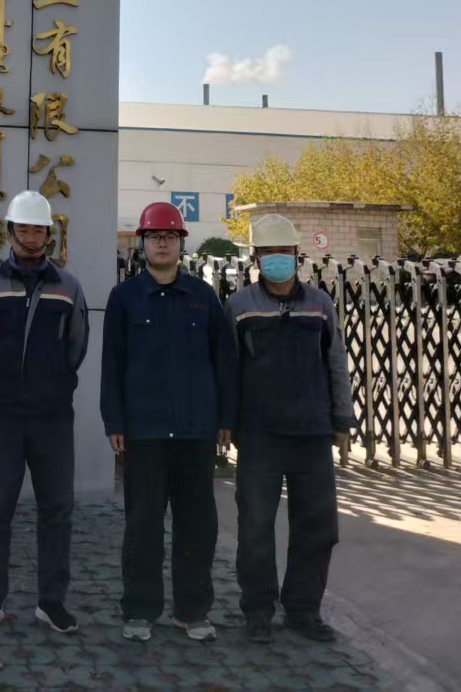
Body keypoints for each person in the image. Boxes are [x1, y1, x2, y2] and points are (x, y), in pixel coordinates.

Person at [101, 202, 235, 644]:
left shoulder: (203, 297)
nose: (163, 243)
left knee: (197, 526)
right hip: (144, 433)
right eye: (155, 236)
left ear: (181, 244)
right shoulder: (125, 298)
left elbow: (223, 361)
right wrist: (114, 420)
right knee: (143, 526)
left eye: (170, 236)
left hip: (196, 431)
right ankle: (140, 610)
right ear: (142, 243)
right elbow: (112, 364)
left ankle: (192, 611)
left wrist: (225, 417)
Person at [0, 189, 89, 635]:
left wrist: (54, 383)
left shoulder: (68, 287)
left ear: (48, 235)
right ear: (10, 233)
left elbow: (77, 346)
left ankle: (51, 602)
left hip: (53, 417)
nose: (32, 237)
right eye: (24, 229)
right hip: (1, 416)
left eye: (39, 230)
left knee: (58, 509)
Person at [228, 213, 355, 644]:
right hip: (259, 437)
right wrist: (227, 424)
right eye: (268, 252)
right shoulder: (239, 307)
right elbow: (227, 368)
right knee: (255, 528)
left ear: (297, 255)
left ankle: (303, 610)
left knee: (318, 528)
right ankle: (258, 611)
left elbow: (336, 362)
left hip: (312, 435)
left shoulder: (320, 304)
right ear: (255, 258)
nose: (277, 258)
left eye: (284, 251)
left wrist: (342, 418)